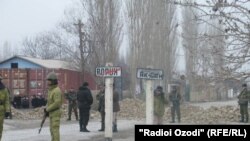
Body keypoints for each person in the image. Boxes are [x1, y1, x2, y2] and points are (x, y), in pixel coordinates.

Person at [44, 72, 63, 141]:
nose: (47, 82)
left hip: (55, 113)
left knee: (55, 130)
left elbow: (57, 103)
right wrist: (46, 109)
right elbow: (49, 102)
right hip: (52, 113)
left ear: (53, 81)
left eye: (49, 80)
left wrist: (47, 109)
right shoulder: (51, 90)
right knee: (52, 130)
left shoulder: (56, 90)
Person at [0, 75, 10, 140]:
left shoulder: (4, 89)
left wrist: (7, 111)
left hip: (1, 111)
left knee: (0, 128)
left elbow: (7, 100)